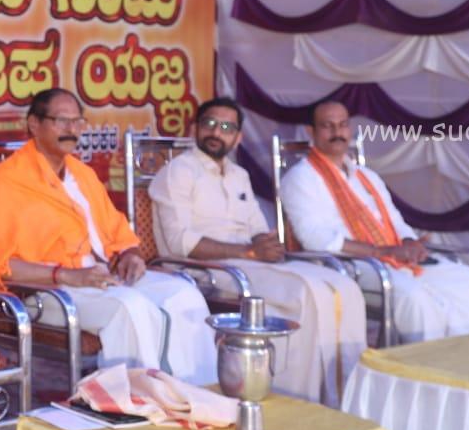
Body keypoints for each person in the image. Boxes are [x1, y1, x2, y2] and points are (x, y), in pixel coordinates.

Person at [0, 88, 216, 384]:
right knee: (128, 307)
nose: (72, 129)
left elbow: (119, 234)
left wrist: (131, 255)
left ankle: (195, 392)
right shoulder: (7, 179)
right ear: (34, 124)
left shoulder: (82, 175)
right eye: (62, 121)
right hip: (43, 292)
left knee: (185, 296)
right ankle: (135, 400)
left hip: (100, 278)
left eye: (78, 121)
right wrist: (67, 276)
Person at [148, 97, 367, 407]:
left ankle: (343, 396)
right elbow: (179, 242)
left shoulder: (240, 175)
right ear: (194, 128)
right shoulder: (178, 172)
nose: (217, 132)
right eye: (210, 124)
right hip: (204, 270)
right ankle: (297, 401)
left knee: (343, 286)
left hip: (247, 262)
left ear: (238, 138)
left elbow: (258, 228)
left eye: (227, 128)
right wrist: (250, 252)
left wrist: (268, 244)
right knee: (306, 292)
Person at [280, 99, 469, 343]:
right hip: (349, 266)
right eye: (327, 125)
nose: (337, 132)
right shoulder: (300, 178)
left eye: (343, 124)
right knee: (416, 299)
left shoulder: (367, 177)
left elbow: (397, 222)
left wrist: (408, 243)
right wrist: (382, 252)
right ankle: (427, 365)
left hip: (396, 260)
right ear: (311, 132)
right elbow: (315, 239)